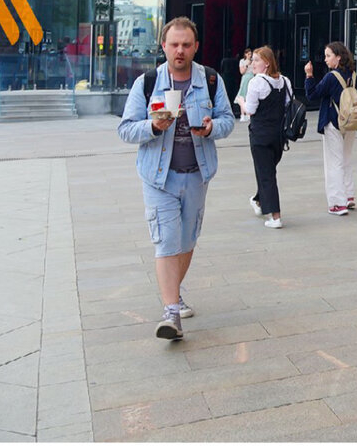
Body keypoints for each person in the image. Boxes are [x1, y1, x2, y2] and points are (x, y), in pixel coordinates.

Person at [118, 17, 234, 341]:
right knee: (167, 241)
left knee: (187, 241)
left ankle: (174, 293)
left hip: (197, 175)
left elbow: (228, 119)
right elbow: (126, 128)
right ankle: (171, 313)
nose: (180, 50)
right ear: (164, 46)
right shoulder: (147, 82)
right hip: (159, 177)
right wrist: (153, 127)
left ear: (195, 47)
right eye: (174, 44)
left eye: (186, 45)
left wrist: (213, 128)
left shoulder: (210, 80)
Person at [304, 42, 357, 216]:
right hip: (351, 122)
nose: (326, 59)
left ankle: (337, 202)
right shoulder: (353, 75)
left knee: (333, 162)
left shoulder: (331, 77)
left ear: (338, 57)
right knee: (346, 159)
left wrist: (309, 76)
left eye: (328, 55)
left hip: (333, 122)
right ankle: (349, 195)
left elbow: (312, 95)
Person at [244, 46, 292, 229]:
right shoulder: (284, 81)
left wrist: (240, 101)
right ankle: (258, 200)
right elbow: (287, 104)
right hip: (279, 137)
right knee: (267, 171)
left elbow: (250, 109)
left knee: (266, 175)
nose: (252, 64)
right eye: (252, 60)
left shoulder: (256, 83)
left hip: (260, 135)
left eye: (256, 60)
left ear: (267, 63)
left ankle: (275, 216)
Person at [235, 49, 254, 122]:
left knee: (250, 96)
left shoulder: (253, 61)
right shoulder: (242, 61)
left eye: (250, 54)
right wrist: (246, 65)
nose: (250, 55)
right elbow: (242, 72)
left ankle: (249, 114)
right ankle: (242, 114)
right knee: (242, 95)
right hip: (245, 78)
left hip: (252, 78)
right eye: (248, 54)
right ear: (245, 54)